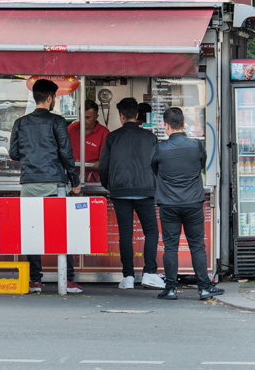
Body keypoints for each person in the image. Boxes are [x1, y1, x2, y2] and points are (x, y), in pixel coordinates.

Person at [9, 79, 83, 294]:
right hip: (54, 184)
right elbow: (66, 154)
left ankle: (35, 281)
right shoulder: (58, 122)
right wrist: (75, 181)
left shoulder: (20, 123)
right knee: (62, 232)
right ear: (50, 98)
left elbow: (13, 154)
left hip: (29, 183)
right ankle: (67, 280)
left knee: (32, 232)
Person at [151, 107, 225, 300]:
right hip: (193, 202)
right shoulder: (197, 146)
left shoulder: (159, 148)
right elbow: (201, 165)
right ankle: (204, 287)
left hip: (168, 203)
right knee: (197, 246)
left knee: (170, 246)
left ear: (165, 126)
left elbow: (154, 169)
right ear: (184, 124)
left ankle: (171, 288)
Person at [98, 97, 165, 290]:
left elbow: (104, 166)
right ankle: (150, 273)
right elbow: (158, 164)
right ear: (137, 115)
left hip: (120, 191)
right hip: (145, 191)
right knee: (151, 231)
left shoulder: (112, 137)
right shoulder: (149, 137)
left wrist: (109, 185)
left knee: (125, 234)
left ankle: (127, 277)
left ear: (121, 115)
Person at [68, 100, 110, 182]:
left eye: (87, 118)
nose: (83, 120)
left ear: (96, 117)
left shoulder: (104, 133)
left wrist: (81, 164)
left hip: (95, 182)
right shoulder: (71, 129)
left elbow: (104, 163)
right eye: (81, 117)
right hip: (72, 181)